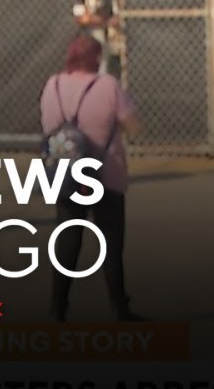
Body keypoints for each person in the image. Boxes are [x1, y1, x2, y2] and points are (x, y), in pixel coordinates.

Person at [41, 33, 143, 322]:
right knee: (111, 241)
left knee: (68, 239)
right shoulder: (108, 86)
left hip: (66, 173)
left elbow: (48, 125)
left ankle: (57, 308)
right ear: (97, 59)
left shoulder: (54, 85)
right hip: (105, 173)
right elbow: (134, 126)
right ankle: (119, 308)